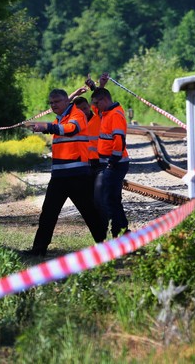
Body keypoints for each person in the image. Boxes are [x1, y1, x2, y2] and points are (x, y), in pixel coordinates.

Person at [27, 89, 106, 257]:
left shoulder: (77, 115)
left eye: (56, 102)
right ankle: (38, 251)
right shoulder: (60, 118)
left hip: (78, 175)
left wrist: (46, 127)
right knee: (48, 213)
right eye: (51, 103)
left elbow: (71, 129)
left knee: (89, 212)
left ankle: (106, 246)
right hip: (59, 176)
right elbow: (63, 128)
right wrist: (49, 126)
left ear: (66, 101)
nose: (53, 105)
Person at [90, 87, 130, 237]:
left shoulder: (115, 115)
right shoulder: (105, 113)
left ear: (105, 100)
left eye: (96, 102)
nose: (95, 106)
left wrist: (112, 161)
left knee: (109, 199)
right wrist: (95, 88)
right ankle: (120, 231)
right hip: (111, 163)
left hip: (116, 163)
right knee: (112, 198)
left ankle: (121, 231)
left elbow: (119, 140)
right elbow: (94, 108)